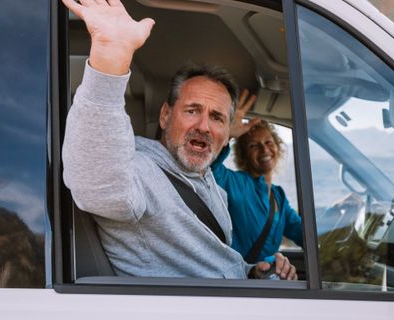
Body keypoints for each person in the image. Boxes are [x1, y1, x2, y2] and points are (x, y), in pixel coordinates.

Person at [60, 0, 295, 280]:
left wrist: (252, 272)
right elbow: (100, 185)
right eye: (192, 110)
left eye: (217, 118)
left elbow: (216, 267)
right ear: (165, 116)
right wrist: (111, 58)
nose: (204, 126)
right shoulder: (142, 173)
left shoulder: (210, 185)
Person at [211, 97, 303, 263]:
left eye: (268, 142)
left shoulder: (278, 196)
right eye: (254, 145)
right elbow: (210, 169)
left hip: (266, 280)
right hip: (240, 282)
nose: (264, 149)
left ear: (277, 146)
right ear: (244, 155)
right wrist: (227, 134)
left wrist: (334, 217)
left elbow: (302, 232)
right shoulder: (236, 183)